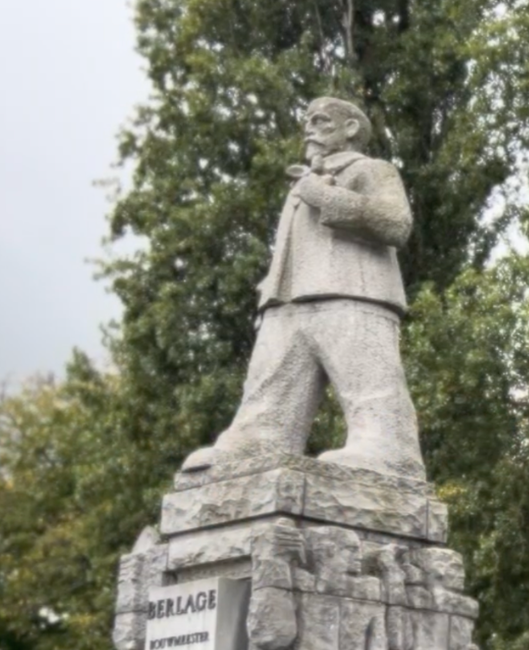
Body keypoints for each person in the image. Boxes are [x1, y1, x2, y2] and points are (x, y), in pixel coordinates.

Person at [180, 96, 426, 481]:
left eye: (321, 120)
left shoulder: (373, 170)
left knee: (371, 388)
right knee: (268, 392)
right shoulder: (301, 181)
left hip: (354, 291)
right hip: (288, 299)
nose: (309, 128)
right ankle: (258, 440)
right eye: (307, 121)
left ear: (351, 129)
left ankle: (387, 447)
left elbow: (396, 223)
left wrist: (325, 195)